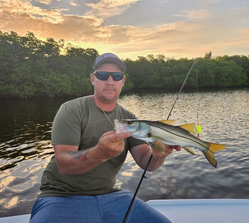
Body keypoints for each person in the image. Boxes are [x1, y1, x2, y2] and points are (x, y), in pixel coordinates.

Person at [30, 53, 181, 223]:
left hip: (111, 194)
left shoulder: (129, 119)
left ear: (122, 81)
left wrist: (159, 155)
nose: (110, 81)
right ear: (93, 79)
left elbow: (147, 162)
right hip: (61, 195)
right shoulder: (72, 110)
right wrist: (100, 153)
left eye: (116, 76)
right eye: (103, 75)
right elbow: (64, 165)